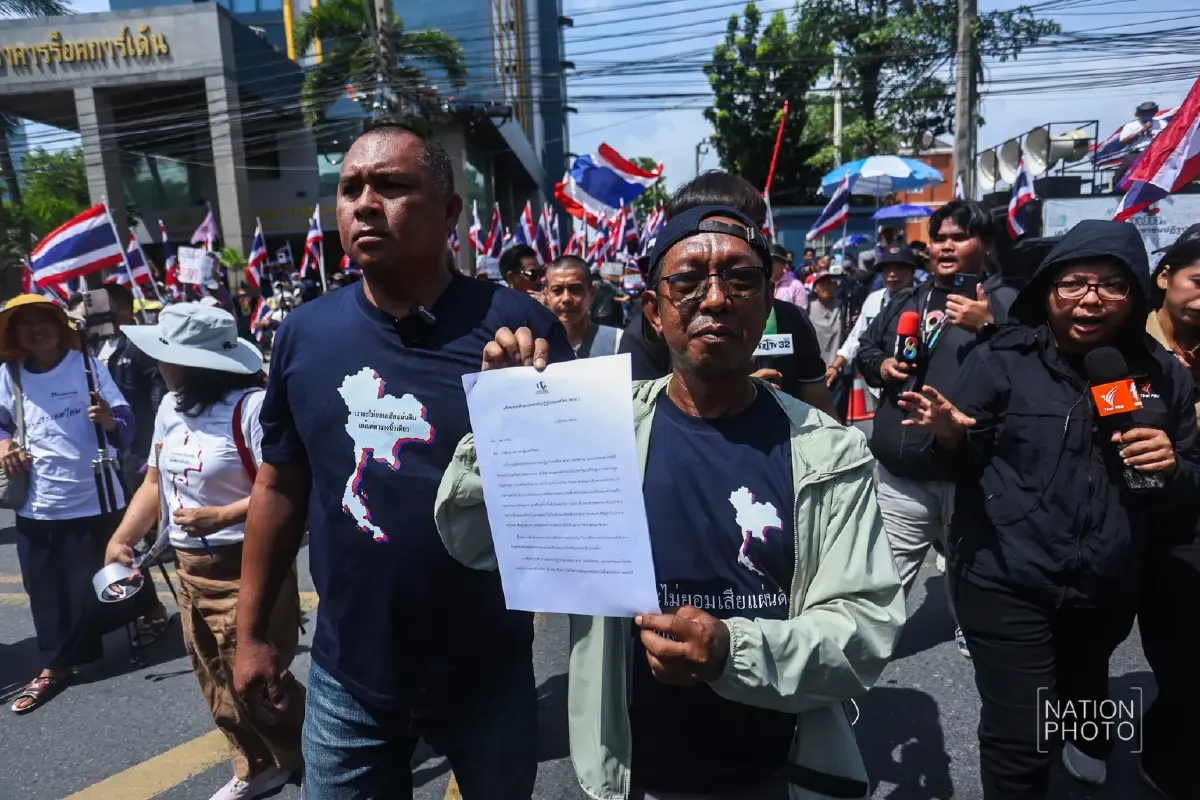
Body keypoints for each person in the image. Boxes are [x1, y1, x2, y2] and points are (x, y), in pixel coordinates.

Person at [437, 204, 905, 800]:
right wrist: (505, 423)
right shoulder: (595, 423)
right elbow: (474, 540)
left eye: (740, 279)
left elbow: (863, 627)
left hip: (775, 771)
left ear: (766, 306)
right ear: (653, 313)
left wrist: (730, 652)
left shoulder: (828, 449)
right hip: (635, 775)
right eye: (687, 282)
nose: (715, 299)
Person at [233, 121, 574, 799]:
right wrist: (250, 635)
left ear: (450, 212)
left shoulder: (521, 328)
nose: (364, 203)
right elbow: (279, 485)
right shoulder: (303, 334)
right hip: (347, 677)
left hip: (489, 671)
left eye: (391, 186)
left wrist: (526, 402)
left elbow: (572, 498)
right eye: (350, 187)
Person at [899, 219, 1200, 799]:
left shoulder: (1164, 375)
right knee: (1020, 739)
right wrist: (953, 438)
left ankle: (1085, 742)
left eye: (1109, 284)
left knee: (1085, 689)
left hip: (1108, 583)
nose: (1090, 298)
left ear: (1137, 293)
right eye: (1074, 283)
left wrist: (1173, 465)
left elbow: (1190, 484)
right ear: (1048, 290)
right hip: (1005, 576)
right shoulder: (1002, 360)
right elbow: (956, 467)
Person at [104, 303, 303, 800]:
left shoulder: (253, 409)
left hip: (246, 565)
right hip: (189, 567)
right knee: (213, 676)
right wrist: (123, 538)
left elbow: (282, 489)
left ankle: (317, 761)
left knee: (262, 683)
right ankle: (255, 764)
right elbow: (154, 479)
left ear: (197, 363)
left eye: (166, 356)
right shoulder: (171, 406)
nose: (157, 366)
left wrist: (225, 514)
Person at [855, 199, 1012, 658]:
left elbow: (1030, 370)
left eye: (958, 237)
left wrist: (990, 328)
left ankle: (970, 625)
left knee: (968, 564)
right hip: (904, 470)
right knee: (887, 566)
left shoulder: (1007, 302)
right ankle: (866, 643)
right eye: (939, 237)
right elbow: (867, 348)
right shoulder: (907, 299)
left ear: (983, 244)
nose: (946, 246)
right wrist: (881, 365)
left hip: (971, 472)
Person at [0, 295, 138, 714]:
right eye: (25, 325)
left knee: (93, 585)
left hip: (92, 495)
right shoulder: (10, 374)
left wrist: (110, 421)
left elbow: (126, 424)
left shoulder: (87, 366)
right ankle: (55, 665)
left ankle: (143, 612)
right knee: (42, 587)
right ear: (14, 335)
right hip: (38, 502)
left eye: (44, 321)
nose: (36, 330)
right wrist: (4, 443)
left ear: (60, 328)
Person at [619, 171, 836, 417]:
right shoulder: (646, 334)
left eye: (752, 229)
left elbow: (823, 411)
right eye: (713, 225)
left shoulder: (792, 319)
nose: (715, 300)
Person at [1138, 233, 1200, 800]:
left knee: (1186, 668)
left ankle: (1169, 764)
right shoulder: (1121, 342)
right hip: (1124, 523)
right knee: (1079, 661)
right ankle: (1081, 738)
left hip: (1190, 524)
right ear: (1165, 277)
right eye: (1198, 283)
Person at [826, 242, 920, 389]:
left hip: (912, 382)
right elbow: (857, 336)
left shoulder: (922, 301)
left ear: (912, 271)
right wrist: (835, 366)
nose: (892, 274)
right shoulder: (873, 300)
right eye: (887, 269)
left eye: (899, 268)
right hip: (876, 383)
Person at [544, 255, 623, 357]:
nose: (566, 299)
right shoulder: (536, 345)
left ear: (592, 293)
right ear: (547, 295)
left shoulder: (618, 341)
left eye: (575, 289)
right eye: (557, 290)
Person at [770, 243, 807, 307]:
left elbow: (801, 314)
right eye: (767, 260)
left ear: (783, 263)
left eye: (774, 260)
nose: (770, 263)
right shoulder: (760, 284)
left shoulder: (796, 286)